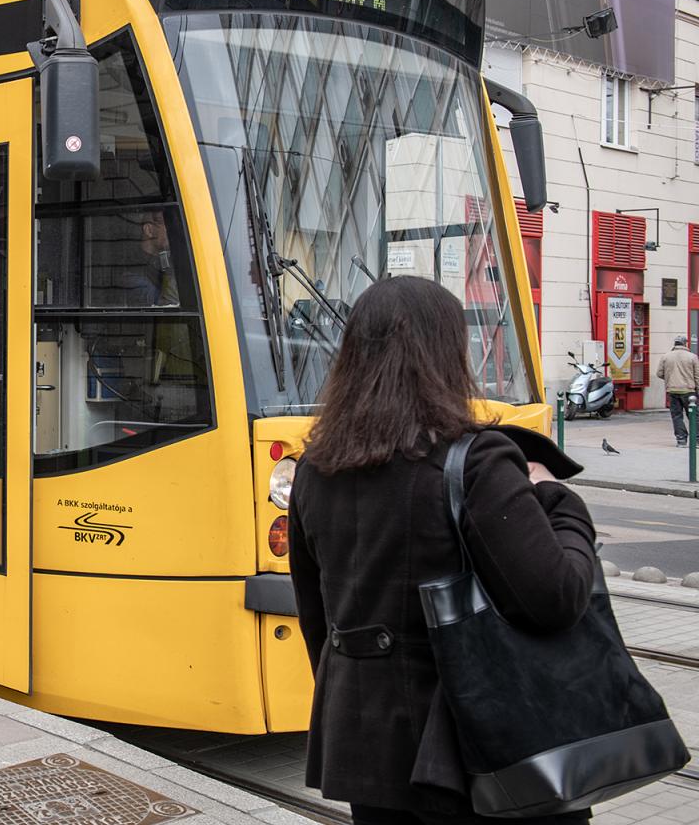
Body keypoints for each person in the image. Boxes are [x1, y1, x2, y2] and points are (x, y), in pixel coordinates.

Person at [288, 276, 598, 824]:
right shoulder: (477, 461)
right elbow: (558, 597)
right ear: (446, 354)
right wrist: (557, 497)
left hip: (370, 752)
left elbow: (319, 622)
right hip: (482, 752)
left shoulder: (314, 469)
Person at [655, 335, 699, 447]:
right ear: (685, 344)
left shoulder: (666, 356)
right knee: (694, 416)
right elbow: (697, 376)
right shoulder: (692, 357)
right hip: (689, 391)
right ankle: (697, 440)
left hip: (673, 391)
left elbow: (659, 373)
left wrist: (670, 378)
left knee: (677, 416)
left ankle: (681, 440)